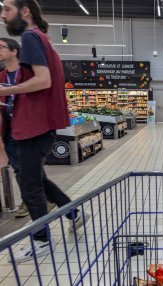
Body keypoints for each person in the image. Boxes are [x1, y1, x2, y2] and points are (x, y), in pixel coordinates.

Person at [0, 0, 89, 262]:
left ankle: (40, 241)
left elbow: (43, 80)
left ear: (25, 11)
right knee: (37, 181)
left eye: (7, 9)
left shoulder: (30, 37)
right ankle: (74, 213)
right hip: (38, 125)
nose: (3, 15)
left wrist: (7, 91)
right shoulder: (40, 38)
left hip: (34, 125)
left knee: (30, 187)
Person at [0, 37, 56, 218]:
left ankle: (58, 208)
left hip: (30, 129)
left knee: (32, 173)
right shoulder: (1, 76)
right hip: (10, 130)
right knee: (22, 170)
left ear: (14, 50)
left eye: (1, 47)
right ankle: (40, 203)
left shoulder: (29, 74)